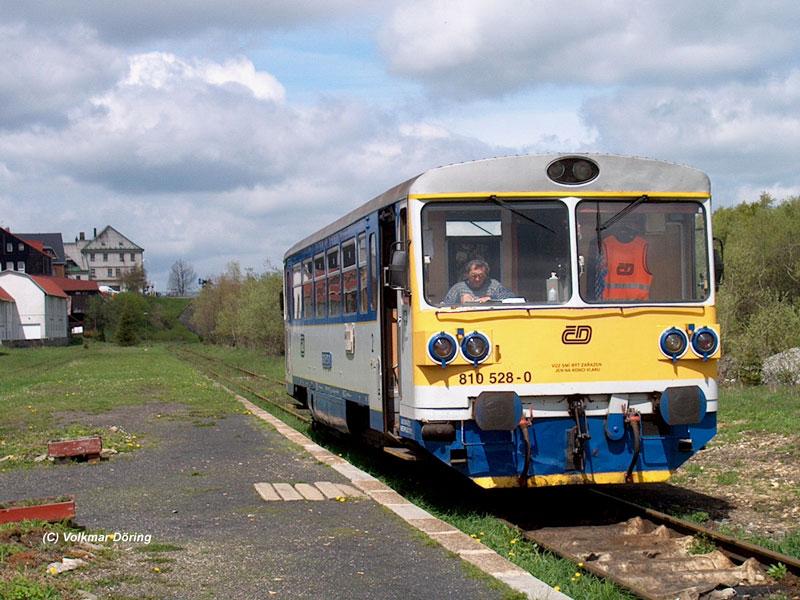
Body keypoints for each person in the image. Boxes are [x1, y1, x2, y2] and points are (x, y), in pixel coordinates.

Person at [443, 259, 513, 304]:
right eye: (474, 276)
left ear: (486, 275)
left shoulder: (494, 285)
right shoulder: (458, 288)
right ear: (467, 275)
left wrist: (491, 299)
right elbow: (444, 306)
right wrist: (461, 303)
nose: (477, 279)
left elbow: (511, 298)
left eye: (481, 276)